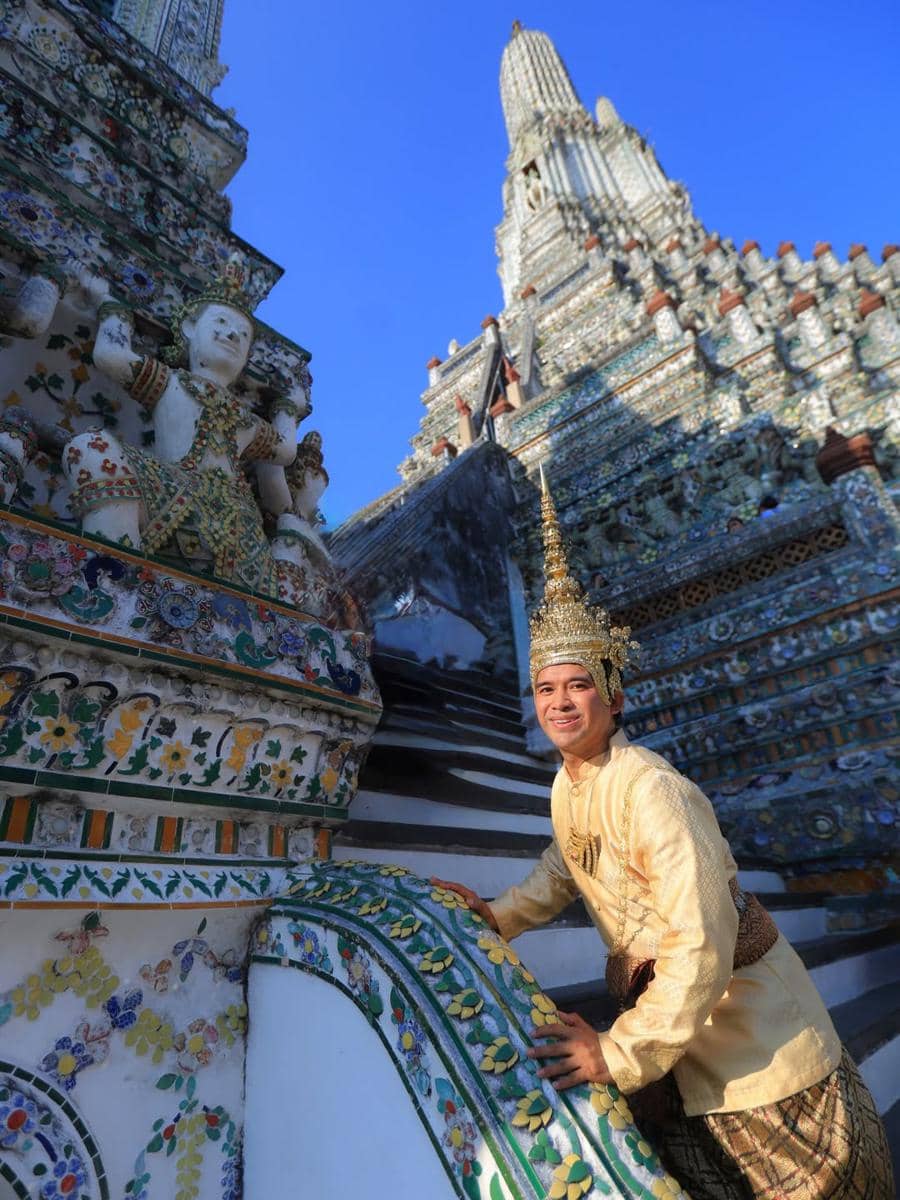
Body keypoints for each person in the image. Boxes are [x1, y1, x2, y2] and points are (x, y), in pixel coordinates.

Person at [434, 473, 892, 1200]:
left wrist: (617, 1052)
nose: (559, 703)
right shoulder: (573, 783)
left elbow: (702, 946)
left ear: (613, 698)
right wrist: (500, 916)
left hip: (754, 1047)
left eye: (577, 686)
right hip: (675, 1037)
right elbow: (567, 862)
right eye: (546, 690)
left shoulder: (653, 791)